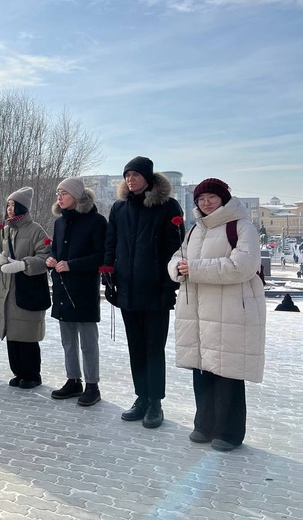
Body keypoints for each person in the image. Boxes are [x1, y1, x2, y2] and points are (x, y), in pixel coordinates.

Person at [169, 178, 266, 451]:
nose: (206, 202)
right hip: (198, 310)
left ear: (223, 198)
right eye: (201, 199)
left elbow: (242, 266)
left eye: (211, 197)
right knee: (203, 367)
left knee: (228, 370)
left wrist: (194, 268)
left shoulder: (241, 226)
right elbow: (178, 258)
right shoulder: (194, 230)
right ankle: (205, 424)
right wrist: (177, 267)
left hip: (232, 309)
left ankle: (229, 432)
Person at [104, 156, 184, 429]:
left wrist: (168, 287)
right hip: (127, 290)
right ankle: (141, 397)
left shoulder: (167, 206)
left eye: (136, 174)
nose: (131, 179)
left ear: (148, 178)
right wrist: (109, 277)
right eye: (127, 175)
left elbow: (175, 249)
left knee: (153, 348)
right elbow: (110, 242)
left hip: (155, 291)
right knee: (136, 347)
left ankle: (155, 402)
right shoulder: (119, 208)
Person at [46, 178, 107, 406]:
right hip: (62, 288)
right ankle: (73, 380)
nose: (59, 197)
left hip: (83, 290)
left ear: (77, 196)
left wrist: (73, 264)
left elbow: (101, 256)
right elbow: (56, 249)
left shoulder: (96, 221)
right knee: (67, 340)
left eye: (64, 193)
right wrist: (51, 260)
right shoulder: (59, 222)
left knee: (88, 341)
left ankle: (93, 385)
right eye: (58, 193)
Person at [0, 187, 51, 389]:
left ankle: (32, 374)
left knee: (27, 336)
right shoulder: (6, 231)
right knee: (13, 335)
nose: (9, 209)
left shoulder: (36, 230)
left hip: (28, 290)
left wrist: (24, 264)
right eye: (7, 205)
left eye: (13, 205)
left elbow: (45, 257)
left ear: (21, 207)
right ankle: (18, 372)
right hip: (8, 290)